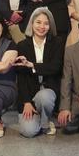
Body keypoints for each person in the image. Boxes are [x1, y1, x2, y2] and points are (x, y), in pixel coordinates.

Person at [14, 7, 65, 138]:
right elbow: (21, 77)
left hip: (49, 92)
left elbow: (55, 67)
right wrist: (26, 102)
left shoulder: (57, 42)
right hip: (29, 96)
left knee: (45, 97)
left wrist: (32, 65)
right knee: (29, 132)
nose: (42, 27)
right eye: (38, 22)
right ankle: (39, 120)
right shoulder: (22, 45)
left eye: (46, 23)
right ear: (32, 24)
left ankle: (45, 120)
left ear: (50, 26)